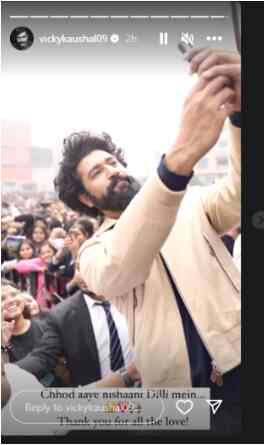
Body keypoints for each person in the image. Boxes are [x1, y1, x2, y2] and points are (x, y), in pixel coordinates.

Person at [55, 48, 241, 431]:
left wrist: (240, 117)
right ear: (87, 199)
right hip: (180, 402)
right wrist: (177, 161)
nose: (114, 170)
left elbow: (244, 191)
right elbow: (121, 265)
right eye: (98, 171)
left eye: (113, 161)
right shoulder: (94, 252)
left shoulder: (190, 204)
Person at [15, 287, 134, 387]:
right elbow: (42, 357)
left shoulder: (137, 293)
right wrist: (7, 375)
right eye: (78, 266)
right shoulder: (61, 315)